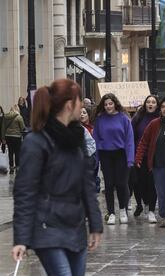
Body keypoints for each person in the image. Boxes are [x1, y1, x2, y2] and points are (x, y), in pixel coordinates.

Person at [12, 79, 103, 275]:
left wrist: (95, 224)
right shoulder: (36, 142)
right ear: (70, 104)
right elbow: (25, 191)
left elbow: (87, 184)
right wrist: (21, 238)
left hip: (75, 226)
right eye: (80, 101)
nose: (83, 106)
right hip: (47, 228)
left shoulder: (77, 138)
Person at [136, 96, 165, 228]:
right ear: (160, 109)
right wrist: (139, 157)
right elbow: (144, 141)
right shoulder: (154, 124)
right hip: (158, 163)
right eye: (163, 107)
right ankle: (163, 215)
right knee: (161, 191)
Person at [93, 93, 134, 225]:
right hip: (106, 154)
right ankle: (111, 212)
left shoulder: (124, 118)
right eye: (105, 104)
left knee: (121, 184)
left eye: (110, 104)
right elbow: (96, 139)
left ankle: (122, 210)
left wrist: (130, 158)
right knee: (109, 185)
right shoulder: (100, 119)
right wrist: (97, 158)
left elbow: (129, 140)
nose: (108, 106)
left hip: (121, 154)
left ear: (115, 103)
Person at [130, 95, 159, 223]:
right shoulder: (138, 118)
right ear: (145, 104)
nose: (151, 104)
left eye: (153, 102)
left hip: (155, 156)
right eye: (148, 102)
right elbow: (132, 136)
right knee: (138, 183)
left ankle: (151, 209)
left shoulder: (160, 119)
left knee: (152, 183)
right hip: (140, 155)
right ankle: (142, 203)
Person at [80, 106, 101, 193]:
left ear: (89, 115)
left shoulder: (94, 128)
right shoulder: (77, 128)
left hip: (93, 157)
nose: (81, 115)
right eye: (80, 113)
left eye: (84, 113)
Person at [1, 105, 25, 174]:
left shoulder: (5, 116)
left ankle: (11, 167)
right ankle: (17, 167)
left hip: (8, 136)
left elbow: (3, 128)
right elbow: (22, 127)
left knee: (10, 152)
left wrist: (3, 138)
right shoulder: (19, 117)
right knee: (17, 152)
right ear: (17, 109)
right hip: (17, 137)